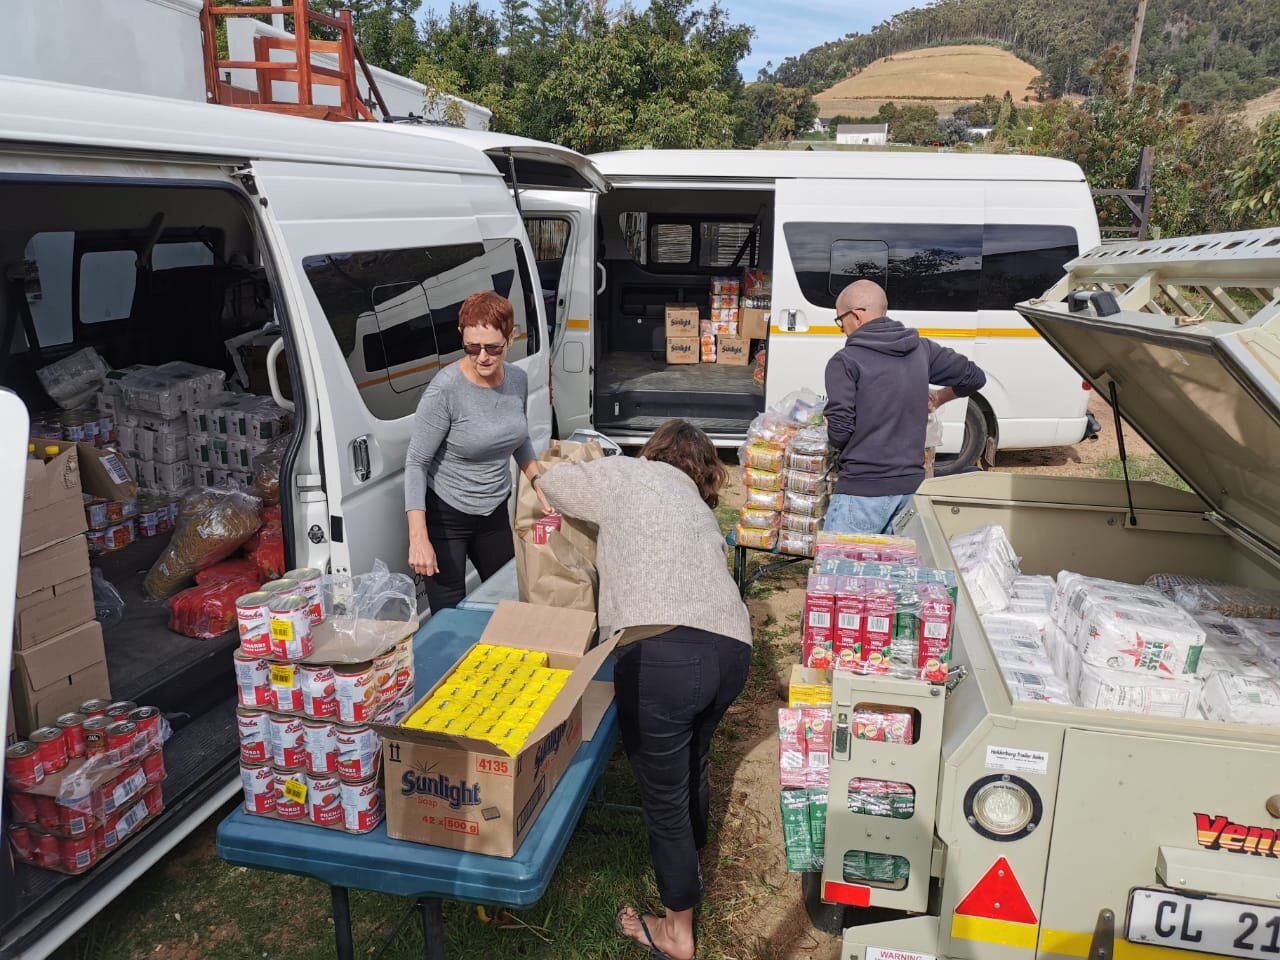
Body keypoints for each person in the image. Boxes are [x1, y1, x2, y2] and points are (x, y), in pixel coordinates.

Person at [537, 420, 751, 960]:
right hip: (732, 649)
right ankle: (691, 864)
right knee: (692, 760)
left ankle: (678, 933)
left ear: (652, 451)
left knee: (663, 799)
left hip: (660, 651)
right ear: (703, 470)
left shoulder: (630, 472)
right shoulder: (700, 510)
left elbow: (554, 485)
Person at [403, 290, 550, 611]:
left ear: (510, 339)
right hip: (447, 517)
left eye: (493, 347)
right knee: (449, 620)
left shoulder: (518, 381)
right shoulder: (445, 390)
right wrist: (419, 537)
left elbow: (518, 437)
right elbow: (416, 462)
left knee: (509, 603)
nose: (482, 356)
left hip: (494, 512)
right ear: (462, 337)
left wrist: (540, 484)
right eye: (472, 346)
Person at [823, 279, 986, 535]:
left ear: (856, 315)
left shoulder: (845, 362)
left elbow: (840, 433)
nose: (842, 327)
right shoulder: (921, 349)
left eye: (840, 320)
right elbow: (974, 377)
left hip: (861, 492)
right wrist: (939, 398)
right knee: (892, 573)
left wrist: (829, 423)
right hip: (910, 491)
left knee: (838, 572)